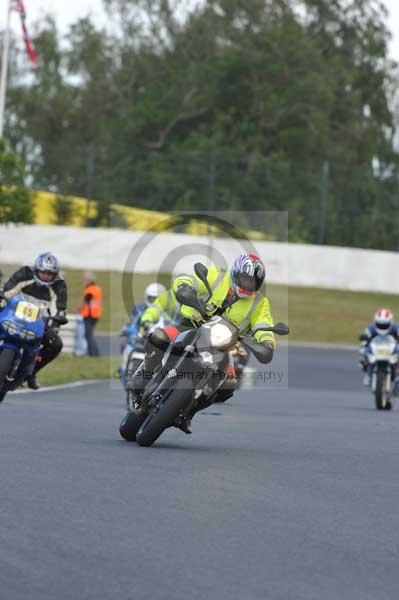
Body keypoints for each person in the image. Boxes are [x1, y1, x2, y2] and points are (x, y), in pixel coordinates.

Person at [137, 252, 275, 433]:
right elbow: (188, 279)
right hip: (191, 324)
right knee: (158, 337)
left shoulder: (259, 303)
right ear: (235, 273)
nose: (247, 283)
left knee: (228, 384)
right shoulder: (216, 276)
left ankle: (188, 413)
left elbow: (263, 324)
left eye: (252, 282)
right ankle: (143, 378)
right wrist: (184, 287)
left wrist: (267, 343)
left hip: (222, 344)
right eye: (244, 278)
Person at [0, 252, 68, 389]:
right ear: (36, 269)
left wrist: (56, 320)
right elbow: (8, 291)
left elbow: (59, 308)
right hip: (13, 315)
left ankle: (32, 372)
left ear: (55, 275)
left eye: (50, 274)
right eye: (43, 273)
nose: (46, 276)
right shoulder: (25, 273)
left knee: (56, 344)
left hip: (39, 322)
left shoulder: (59, 285)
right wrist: (2, 299)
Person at [359, 308, 399, 385]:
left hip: (391, 349)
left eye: (385, 324)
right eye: (380, 324)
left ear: (390, 322)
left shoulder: (396, 328)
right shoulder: (371, 328)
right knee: (363, 357)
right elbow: (364, 339)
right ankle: (368, 373)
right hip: (376, 350)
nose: (383, 326)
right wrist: (363, 345)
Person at [80, 272, 102, 356]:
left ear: (89, 280)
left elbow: (85, 301)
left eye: (85, 279)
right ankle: (95, 353)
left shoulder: (90, 289)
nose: (83, 281)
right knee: (90, 335)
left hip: (90, 315)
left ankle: (93, 354)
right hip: (95, 315)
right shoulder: (96, 288)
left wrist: (78, 309)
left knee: (88, 335)